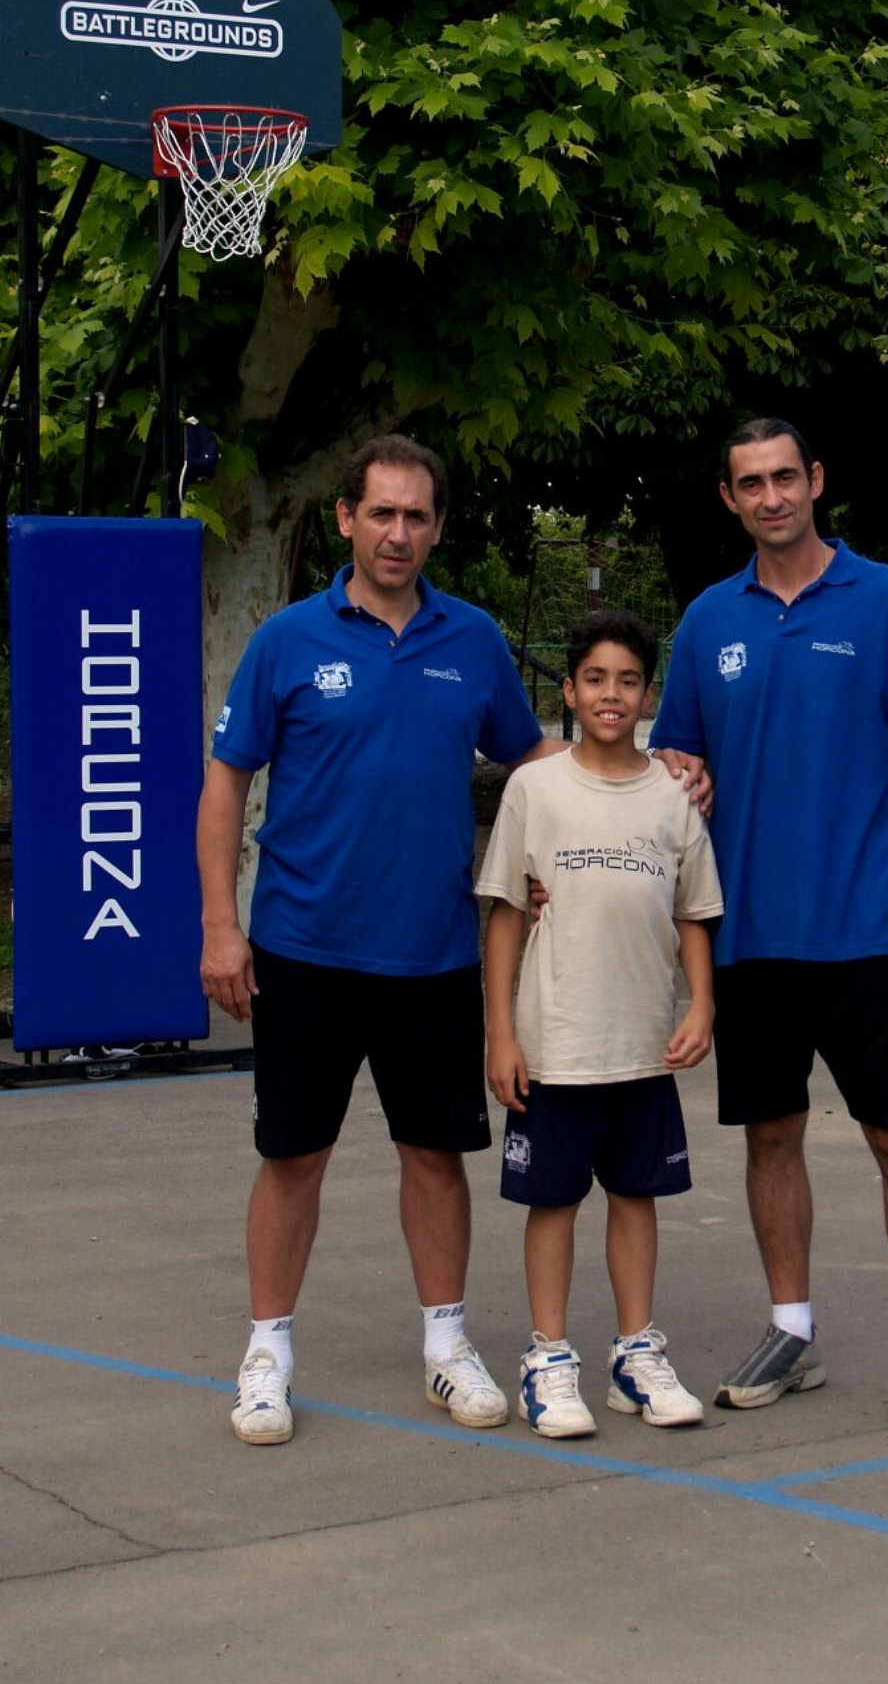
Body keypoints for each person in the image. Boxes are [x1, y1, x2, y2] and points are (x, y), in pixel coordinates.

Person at [197, 433, 557, 1446]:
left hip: (435, 953)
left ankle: (447, 1343)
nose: (398, 532)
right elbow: (225, 782)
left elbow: (535, 761)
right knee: (293, 1156)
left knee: (436, 1157)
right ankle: (268, 1354)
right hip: (303, 949)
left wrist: (641, 775)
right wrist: (221, 925)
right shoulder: (287, 641)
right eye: (381, 513)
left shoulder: (473, 640)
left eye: (416, 515)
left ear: (437, 528)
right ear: (346, 518)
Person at [650, 417, 888, 1435]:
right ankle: (791, 1329)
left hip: (868, 929)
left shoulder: (885, 600)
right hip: (750, 935)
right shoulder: (708, 619)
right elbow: (676, 756)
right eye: (751, 482)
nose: (772, 496)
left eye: (785, 476)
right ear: (729, 498)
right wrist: (684, 773)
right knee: (771, 1134)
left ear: (816, 480)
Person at [478, 609, 723, 1439]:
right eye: (594, 679)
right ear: (570, 691)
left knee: (636, 1196)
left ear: (648, 694)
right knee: (551, 1203)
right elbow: (505, 913)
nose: (611, 695)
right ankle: (548, 1359)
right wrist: (501, 1034)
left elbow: (694, 912)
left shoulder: (673, 796)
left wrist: (702, 1005)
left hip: (641, 1046)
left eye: (627, 681)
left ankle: (635, 1354)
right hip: (555, 1046)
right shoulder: (534, 790)